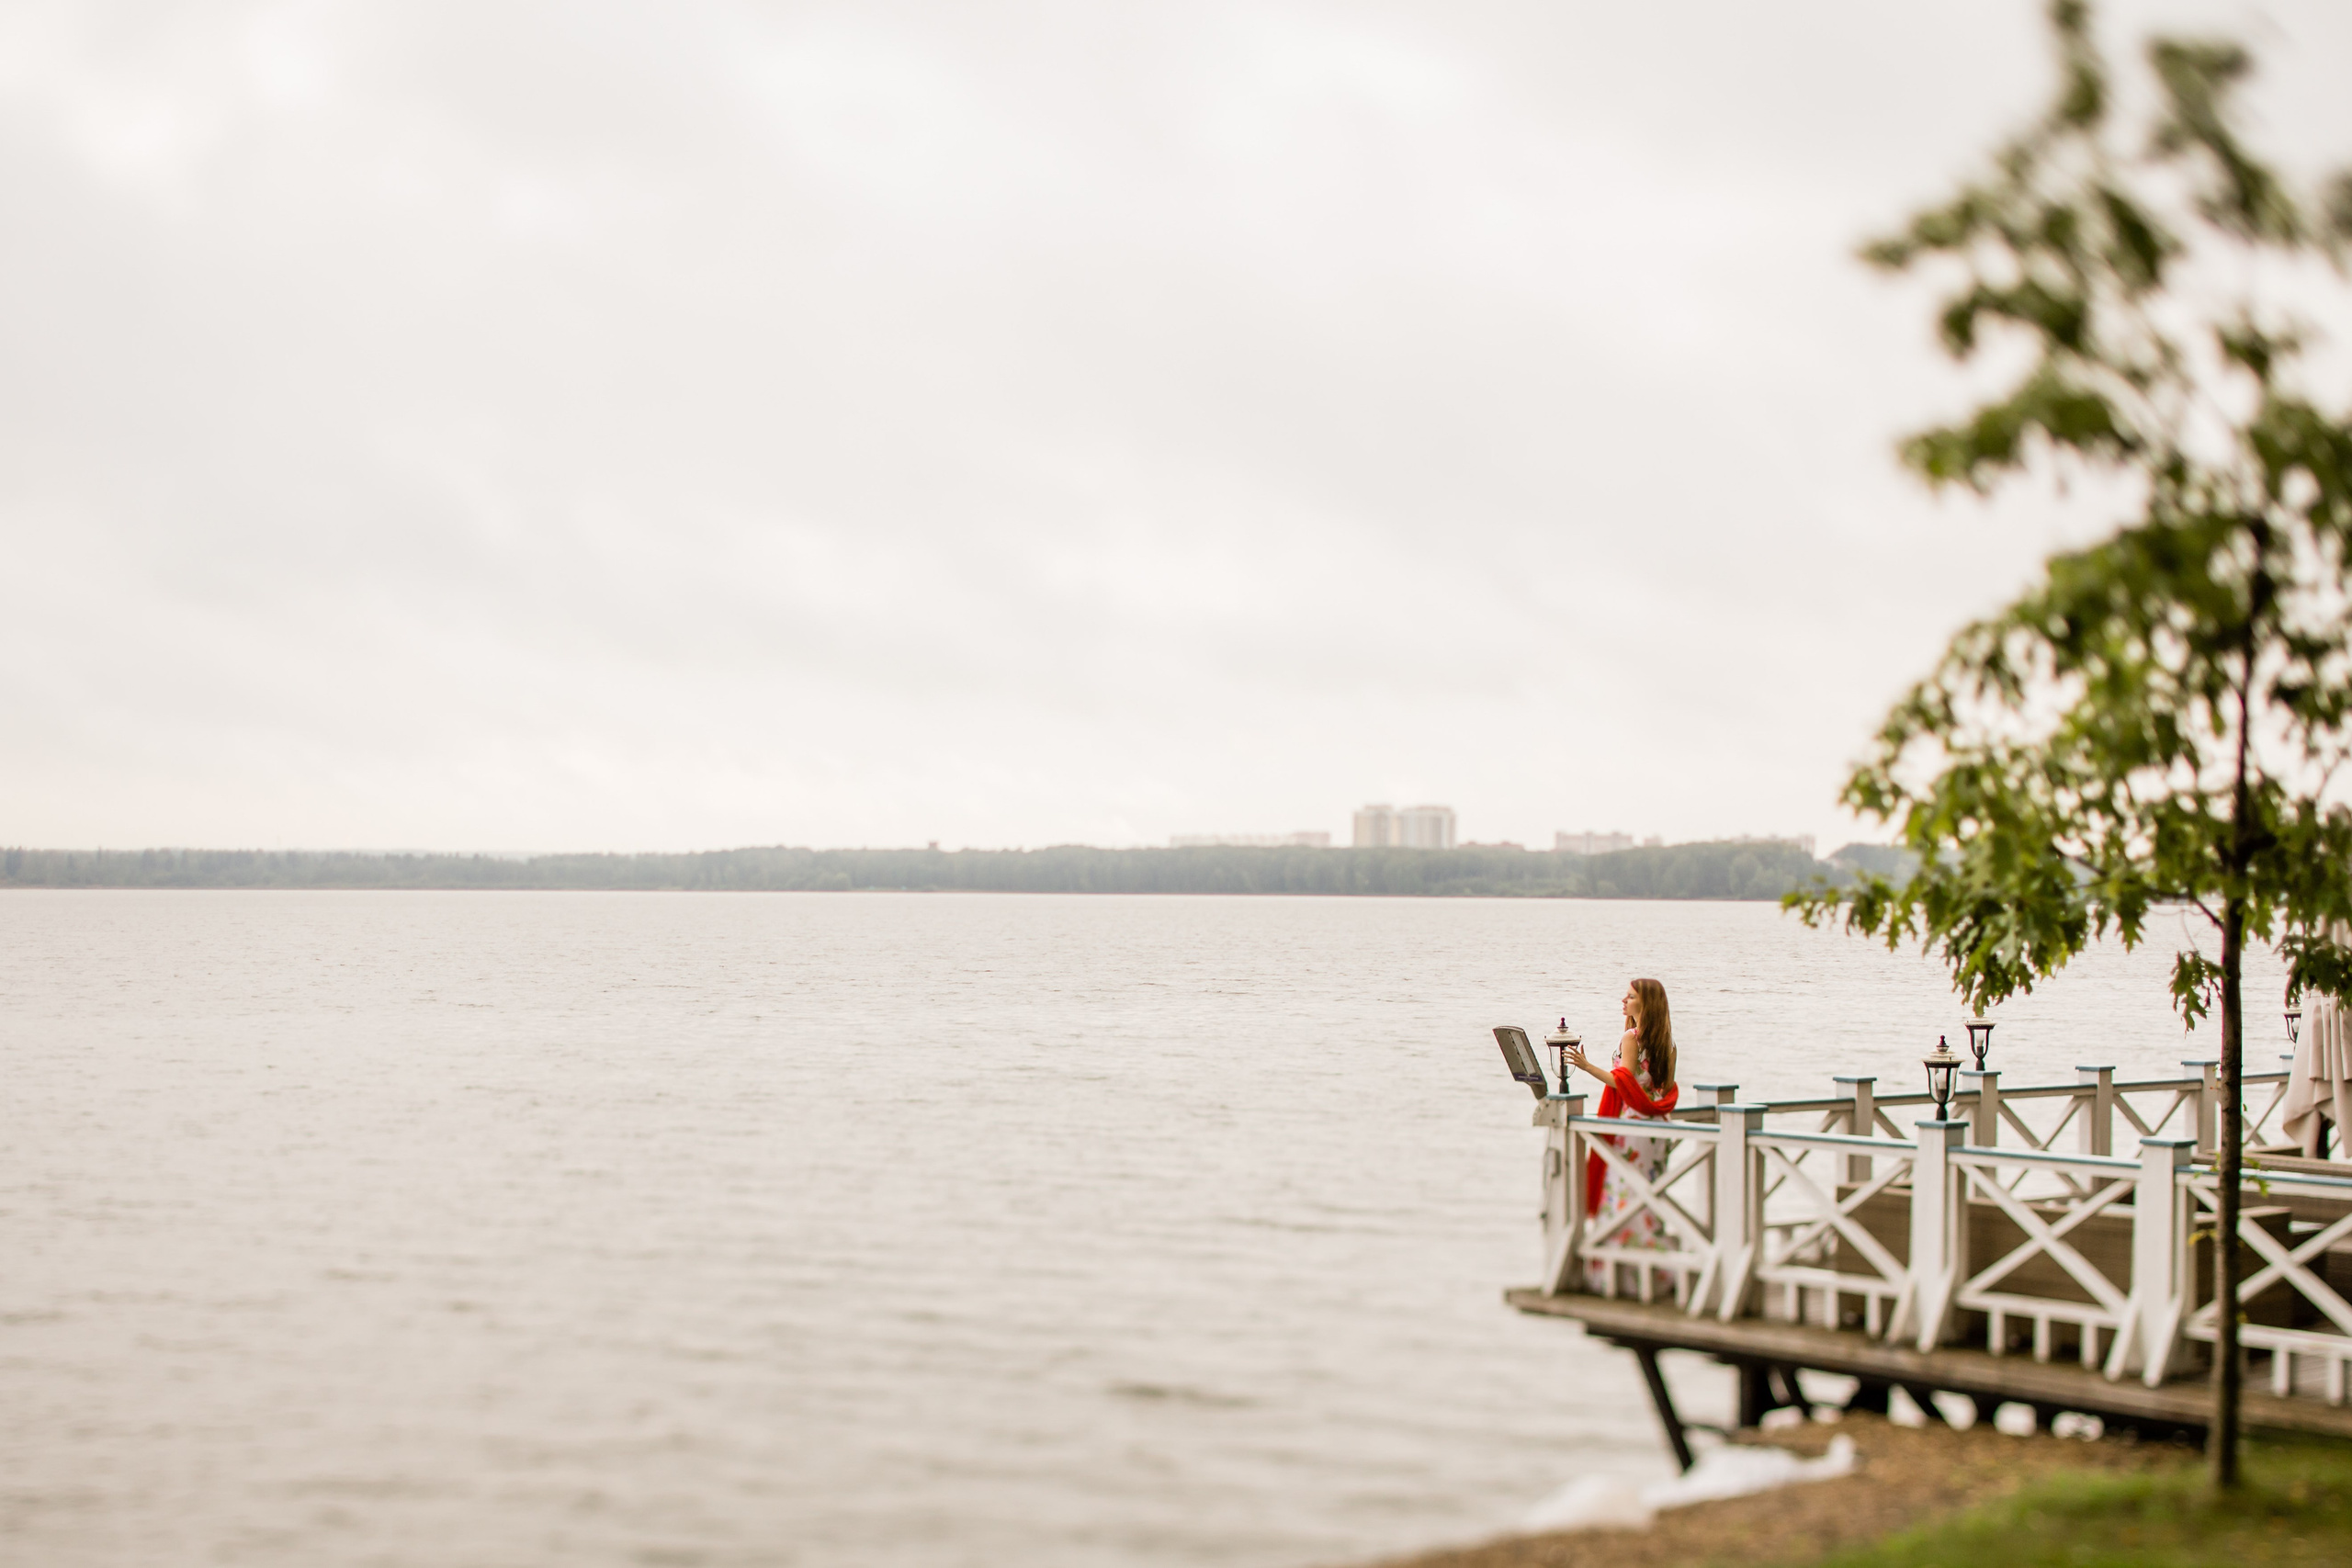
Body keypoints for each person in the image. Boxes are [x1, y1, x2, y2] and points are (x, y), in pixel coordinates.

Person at [1561, 977, 1682, 1294]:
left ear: (1645, 1003)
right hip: (1659, 1124)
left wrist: (1586, 1066)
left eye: (1630, 996)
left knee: (1622, 1191)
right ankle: (1654, 1272)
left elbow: (1623, 1081)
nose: (1623, 1000)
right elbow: (1666, 1088)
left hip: (1633, 1124)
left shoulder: (1632, 1037)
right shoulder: (1668, 1043)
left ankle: (1619, 1276)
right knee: (1650, 1194)